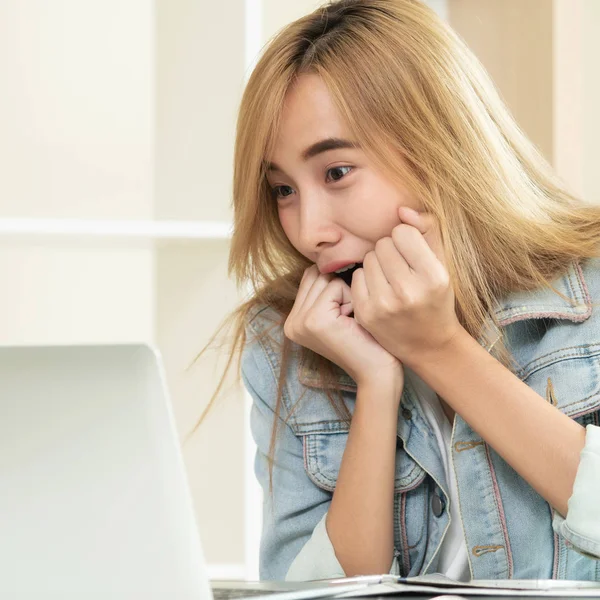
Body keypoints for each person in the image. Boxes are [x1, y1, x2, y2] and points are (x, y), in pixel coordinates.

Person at [200, 0, 600, 583]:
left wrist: (438, 349)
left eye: (336, 172)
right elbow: (312, 593)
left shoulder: (588, 292)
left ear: (438, 146)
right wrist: (377, 381)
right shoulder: (287, 334)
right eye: (283, 189)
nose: (309, 229)